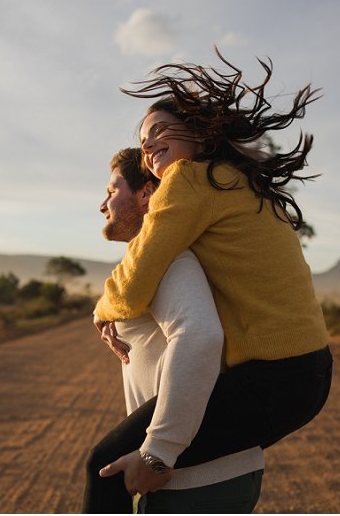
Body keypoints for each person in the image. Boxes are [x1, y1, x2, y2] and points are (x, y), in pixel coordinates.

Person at [86, 49, 333, 513]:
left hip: (275, 376)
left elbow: (140, 273)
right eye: (143, 141)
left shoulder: (189, 179)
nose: (150, 145)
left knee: (106, 466)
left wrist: (103, 309)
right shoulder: (233, 180)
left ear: (198, 133)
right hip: (307, 372)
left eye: (159, 130)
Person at [90, 147, 263, 513]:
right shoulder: (148, 264)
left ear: (145, 194)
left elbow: (200, 336)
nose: (102, 204)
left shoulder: (171, 260)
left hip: (195, 481)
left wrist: (159, 453)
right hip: (195, 477)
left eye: (111, 190)